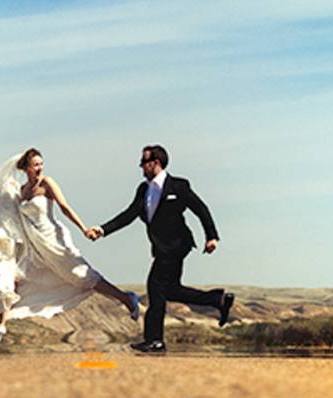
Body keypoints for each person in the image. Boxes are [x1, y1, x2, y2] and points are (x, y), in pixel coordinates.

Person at [86, 144, 235, 353]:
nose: (141, 168)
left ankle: (155, 340)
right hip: (161, 247)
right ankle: (216, 299)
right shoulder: (143, 189)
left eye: (144, 163)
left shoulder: (178, 186)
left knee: (155, 287)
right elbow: (129, 215)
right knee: (170, 290)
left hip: (177, 245)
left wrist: (212, 237)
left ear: (155, 163)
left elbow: (201, 209)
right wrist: (102, 230)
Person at [0, 148, 140, 342]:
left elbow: (64, 207)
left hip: (55, 239)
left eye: (41, 164)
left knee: (83, 276)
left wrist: (84, 229)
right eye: (35, 165)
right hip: (36, 245)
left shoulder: (47, 183)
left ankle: (127, 298)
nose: (39, 168)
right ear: (26, 168)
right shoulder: (22, 191)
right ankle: (0, 325)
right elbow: (10, 211)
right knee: (17, 280)